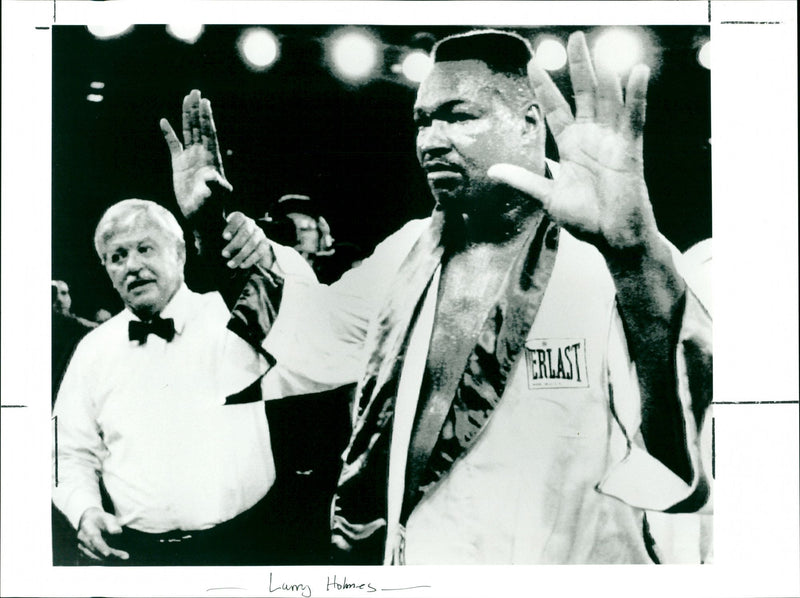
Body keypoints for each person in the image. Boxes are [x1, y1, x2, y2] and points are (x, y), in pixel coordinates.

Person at [161, 29, 712, 565]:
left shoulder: (607, 260)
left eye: (459, 116)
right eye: (423, 120)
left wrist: (636, 254)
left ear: (528, 123)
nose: (430, 140)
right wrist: (214, 222)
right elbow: (316, 331)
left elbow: (687, 415)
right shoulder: (406, 252)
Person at [51, 198, 311, 565]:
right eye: (118, 256)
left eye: (145, 249)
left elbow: (307, 322)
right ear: (106, 269)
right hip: (139, 557)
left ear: (179, 253)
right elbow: (66, 453)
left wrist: (244, 236)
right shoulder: (91, 351)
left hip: (248, 544)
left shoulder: (232, 315)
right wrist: (84, 510)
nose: (133, 266)